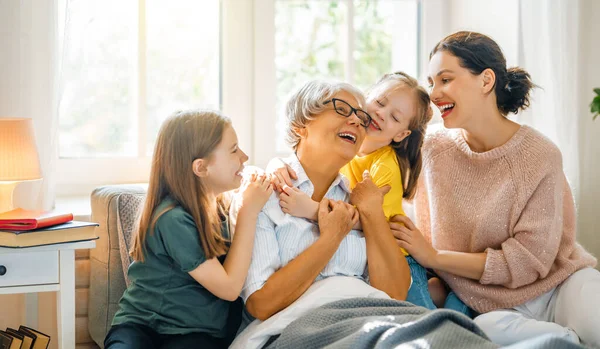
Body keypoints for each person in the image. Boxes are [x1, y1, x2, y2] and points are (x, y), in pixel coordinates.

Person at [390, 31, 600, 347]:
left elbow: (529, 260)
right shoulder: (432, 148)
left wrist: (435, 255)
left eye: (445, 80)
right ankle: (566, 340)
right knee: (484, 331)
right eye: (431, 82)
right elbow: (377, 152)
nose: (434, 93)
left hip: (559, 288)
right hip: (492, 309)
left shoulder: (540, 155)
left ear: (486, 81)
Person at [268, 72, 470, 315]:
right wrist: (276, 164)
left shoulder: (384, 165)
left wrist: (312, 210)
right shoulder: (345, 149)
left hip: (396, 253)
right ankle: (438, 290)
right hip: (366, 260)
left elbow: (372, 222)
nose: (381, 114)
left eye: (394, 117)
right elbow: (302, 160)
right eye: (380, 103)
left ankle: (457, 303)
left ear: (401, 134)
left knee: (417, 315)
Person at [240, 80, 411, 323]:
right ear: (301, 126)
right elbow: (261, 304)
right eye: (341, 109)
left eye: (361, 117)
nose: (356, 121)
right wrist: (332, 237)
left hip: (372, 322)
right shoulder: (262, 193)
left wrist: (371, 212)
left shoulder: (357, 201)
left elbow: (396, 294)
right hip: (305, 329)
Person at [104, 110, 273, 349]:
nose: (244, 156)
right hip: (142, 327)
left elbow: (260, 176)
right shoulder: (173, 218)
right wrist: (249, 211)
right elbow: (229, 288)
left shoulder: (224, 206)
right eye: (234, 150)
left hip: (197, 334)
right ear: (201, 168)